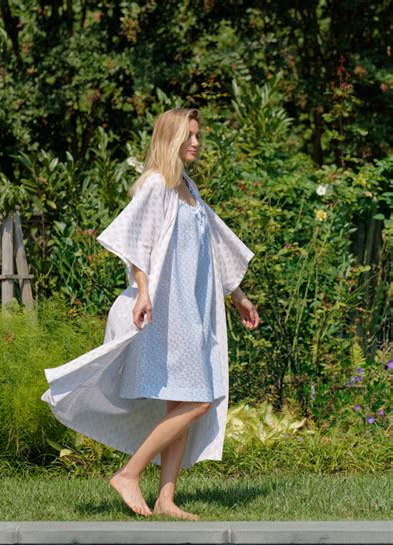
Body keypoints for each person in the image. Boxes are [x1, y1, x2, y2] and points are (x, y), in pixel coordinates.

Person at [41, 107, 259, 520]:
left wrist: (238, 296)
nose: (196, 142)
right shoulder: (157, 185)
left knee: (182, 403)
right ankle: (128, 474)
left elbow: (215, 247)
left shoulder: (188, 188)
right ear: (169, 138)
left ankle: (166, 499)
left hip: (191, 314)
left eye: (197, 135)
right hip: (165, 313)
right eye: (188, 135)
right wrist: (142, 292)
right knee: (198, 401)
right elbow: (135, 242)